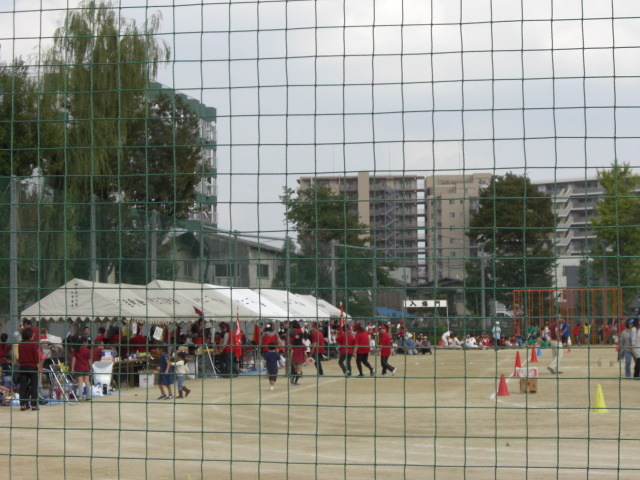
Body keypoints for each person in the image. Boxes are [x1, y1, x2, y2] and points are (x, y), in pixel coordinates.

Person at [18, 328, 41, 411]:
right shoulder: (34, 344)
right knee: (34, 386)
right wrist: (38, 368)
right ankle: (33, 405)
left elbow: (20, 356)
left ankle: (22, 405)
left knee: (23, 386)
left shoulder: (20, 344)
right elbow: (36, 357)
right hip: (32, 367)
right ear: (30, 335)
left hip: (23, 366)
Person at [71, 336, 92, 400]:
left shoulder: (76, 349)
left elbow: (73, 359)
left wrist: (72, 368)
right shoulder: (88, 350)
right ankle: (88, 396)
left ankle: (80, 397)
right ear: (84, 342)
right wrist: (90, 367)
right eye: (87, 342)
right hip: (86, 367)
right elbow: (89, 360)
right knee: (87, 381)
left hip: (78, 367)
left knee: (80, 382)